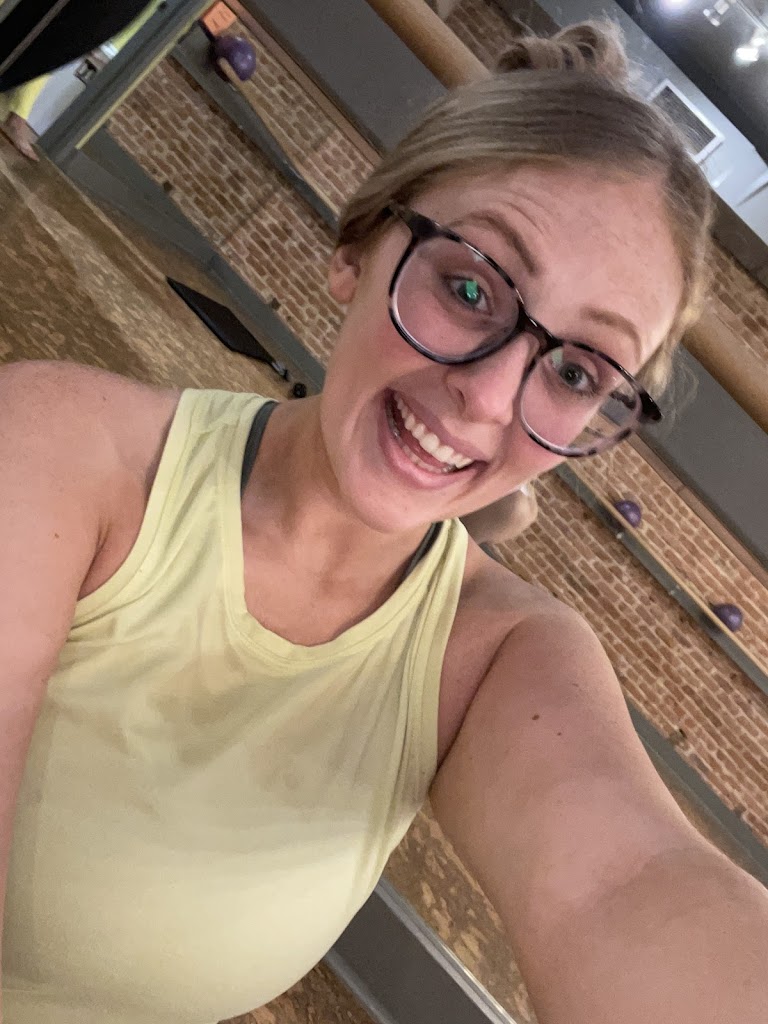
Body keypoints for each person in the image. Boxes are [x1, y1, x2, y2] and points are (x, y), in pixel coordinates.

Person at [1, 19, 767, 1024]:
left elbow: (627, 886)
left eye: (578, 373)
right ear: (358, 248)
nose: (488, 397)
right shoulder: (66, 448)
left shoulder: (494, 662)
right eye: (470, 287)